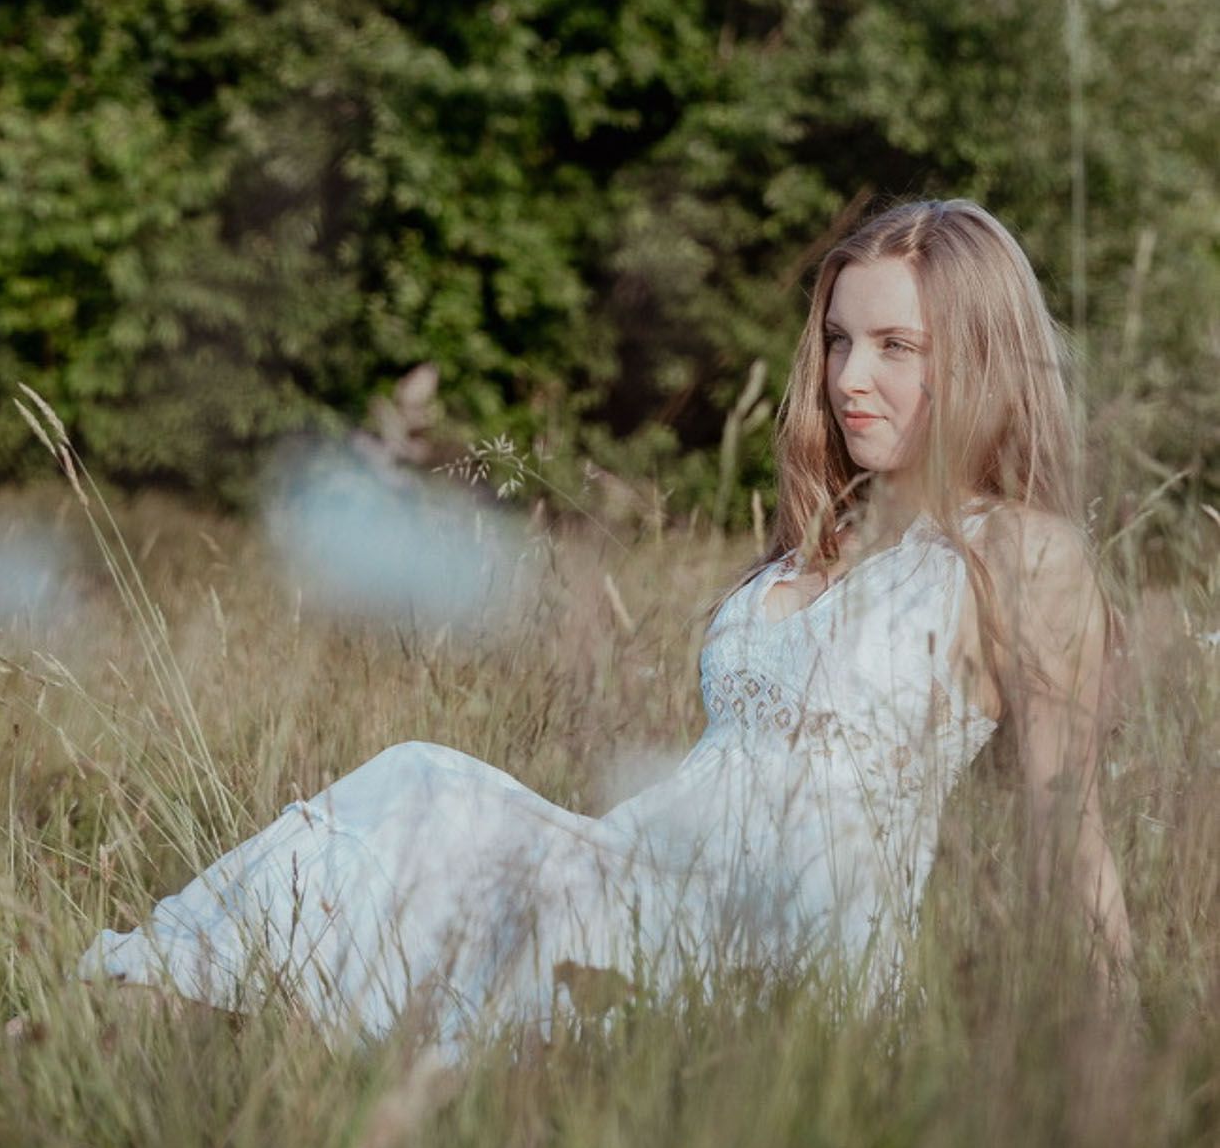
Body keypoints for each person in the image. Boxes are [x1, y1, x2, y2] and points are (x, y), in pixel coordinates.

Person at [75, 197, 1132, 1056]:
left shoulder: (1021, 554)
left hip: (782, 948)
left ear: (984, 357)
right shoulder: (824, 538)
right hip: (646, 883)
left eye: (899, 344)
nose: (851, 376)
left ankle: (147, 1028)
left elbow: (1067, 831)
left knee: (425, 791)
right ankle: (159, 1033)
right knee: (423, 792)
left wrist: (1121, 1068)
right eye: (841, 339)